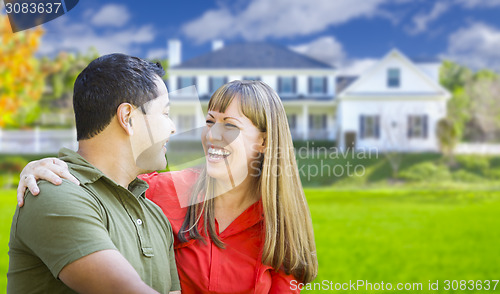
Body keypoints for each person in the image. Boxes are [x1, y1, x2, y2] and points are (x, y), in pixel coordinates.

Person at [17, 80, 318, 293]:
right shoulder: (162, 190)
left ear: (264, 141)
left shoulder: (280, 229)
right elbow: (103, 179)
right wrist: (46, 167)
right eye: (210, 121)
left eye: (230, 125)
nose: (212, 135)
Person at [8, 53, 181, 294]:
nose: (172, 127)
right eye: (164, 113)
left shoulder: (154, 215)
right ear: (128, 118)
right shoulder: (53, 192)